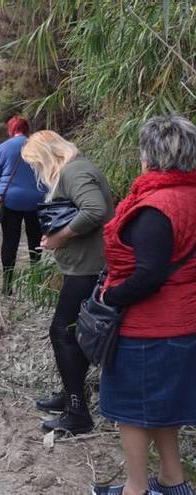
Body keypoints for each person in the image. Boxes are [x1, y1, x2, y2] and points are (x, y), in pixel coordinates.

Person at [91, 115, 196, 495]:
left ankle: (135, 489)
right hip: (182, 322)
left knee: (131, 412)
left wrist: (111, 296)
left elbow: (149, 276)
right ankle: (172, 479)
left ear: (149, 154)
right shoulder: (189, 194)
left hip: (150, 327)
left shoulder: (156, 207)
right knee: (162, 404)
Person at [21, 130, 114, 435]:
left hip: (88, 268)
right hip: (83, 265)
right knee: (71, 333)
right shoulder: (75, 170)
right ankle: (71, 392)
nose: (36, 170)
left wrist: (60, 236)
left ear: (47, 155)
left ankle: (77, 412)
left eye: (35, 163)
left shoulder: (75, 171)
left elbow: (96, 210)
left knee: (61, 332)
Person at [0, 116, 44, 295]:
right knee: (35, 239)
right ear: (28, 130)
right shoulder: (39, 147)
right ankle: (36, 281)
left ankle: (7, 284)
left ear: (11, 130)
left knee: (10, 240)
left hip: (11, 200)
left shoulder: (3, 148)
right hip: (37, 199)